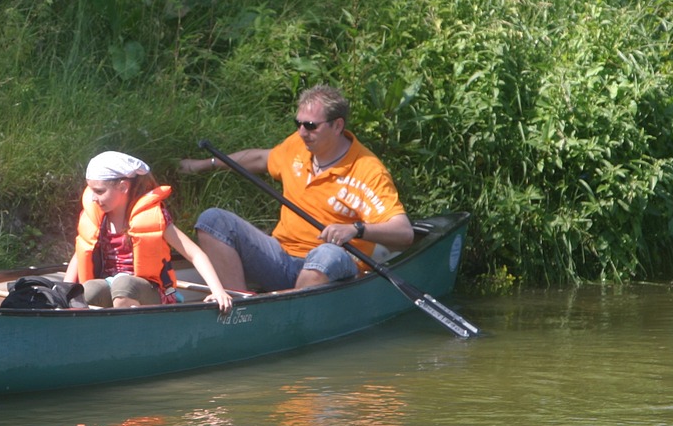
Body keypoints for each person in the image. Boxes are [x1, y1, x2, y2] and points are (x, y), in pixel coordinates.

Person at [178, 84, 413, 293]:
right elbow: (261, 159)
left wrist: (356, 229)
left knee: (326, 254)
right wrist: (203, 165)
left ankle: (289, 311)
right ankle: (238, 306)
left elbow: (404, 233)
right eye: (298, 123)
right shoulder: (298, 145)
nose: (302, 132)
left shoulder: (368, 170)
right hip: (281, 257)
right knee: (213, 220)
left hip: (332, 264)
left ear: (337, 125)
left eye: (310, 126)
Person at [63, 151, 233, 314]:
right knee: (88, 290)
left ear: (123, 187)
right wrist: (65, 292)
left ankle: (128, 334)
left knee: (124, 285)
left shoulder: (153, 217)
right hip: (113, 285)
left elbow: (195, 254)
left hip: (157, 291)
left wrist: (218, 291)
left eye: (99, 191)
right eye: (91, 190)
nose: (93, 197)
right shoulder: (99, 219)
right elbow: (80, 253)